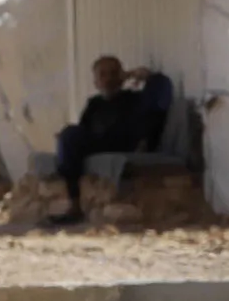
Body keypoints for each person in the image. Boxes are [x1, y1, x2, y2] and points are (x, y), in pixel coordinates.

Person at [49, 56, 166, 226]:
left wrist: (140, 75)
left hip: (121, 143)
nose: (108, 79)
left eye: (113, 74)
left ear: (122, 76)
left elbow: (163, 89)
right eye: (103, 75)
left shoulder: (134, 99)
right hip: (98, 143)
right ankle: (72, 200)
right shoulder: (94, 104)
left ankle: (74, 204)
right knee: (69, 135)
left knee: (70, 136)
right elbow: (84, 129)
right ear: (96, 82)